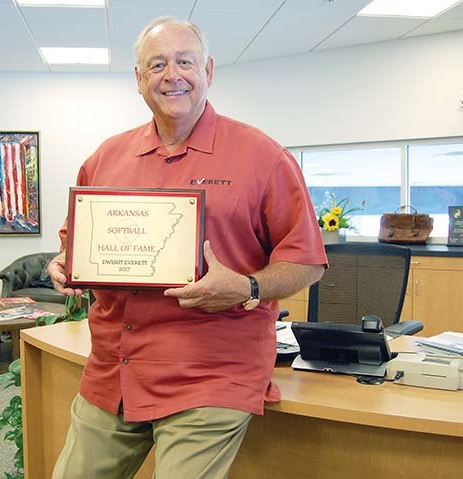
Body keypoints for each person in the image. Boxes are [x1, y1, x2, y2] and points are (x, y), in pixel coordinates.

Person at [48, 16, 328, 479]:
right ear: (139, 79)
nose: (171, 75)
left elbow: (307, 260)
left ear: (209, 71)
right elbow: (73, 244)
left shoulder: (263, 156)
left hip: (211, 374)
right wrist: (64, 264)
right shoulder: (105, 158)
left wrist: (247, 286)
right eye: (156, 64)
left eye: (184, 61)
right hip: (115, 369)